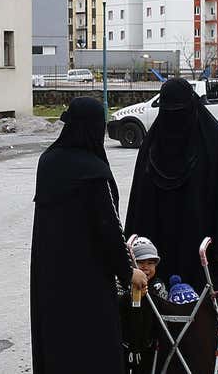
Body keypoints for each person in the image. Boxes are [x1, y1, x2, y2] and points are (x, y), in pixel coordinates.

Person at [33, 97, 146, 374]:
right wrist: (128, 271)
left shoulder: (47, 162)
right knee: (94, 348)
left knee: (58, 345)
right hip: (89, 281)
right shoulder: (94, 172)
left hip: (50, 278)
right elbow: (109, 229)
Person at [125, 78, 218, 324]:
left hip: (202, 246)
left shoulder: (212, 139)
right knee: (159, 312)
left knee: (203, 317)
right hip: (160, 247)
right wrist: (136, 250)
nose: (175, 119)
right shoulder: (153, 144)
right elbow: (140, 200)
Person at [118, 236, 170, 374]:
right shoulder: (122, 284)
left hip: (149, 342)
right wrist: (131, 296)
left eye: (150, 263)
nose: (146, 268)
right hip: (125, 342)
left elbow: (163, 308)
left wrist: (145, 297)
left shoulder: (157, 285)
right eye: (140, 262)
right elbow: (117, 306)